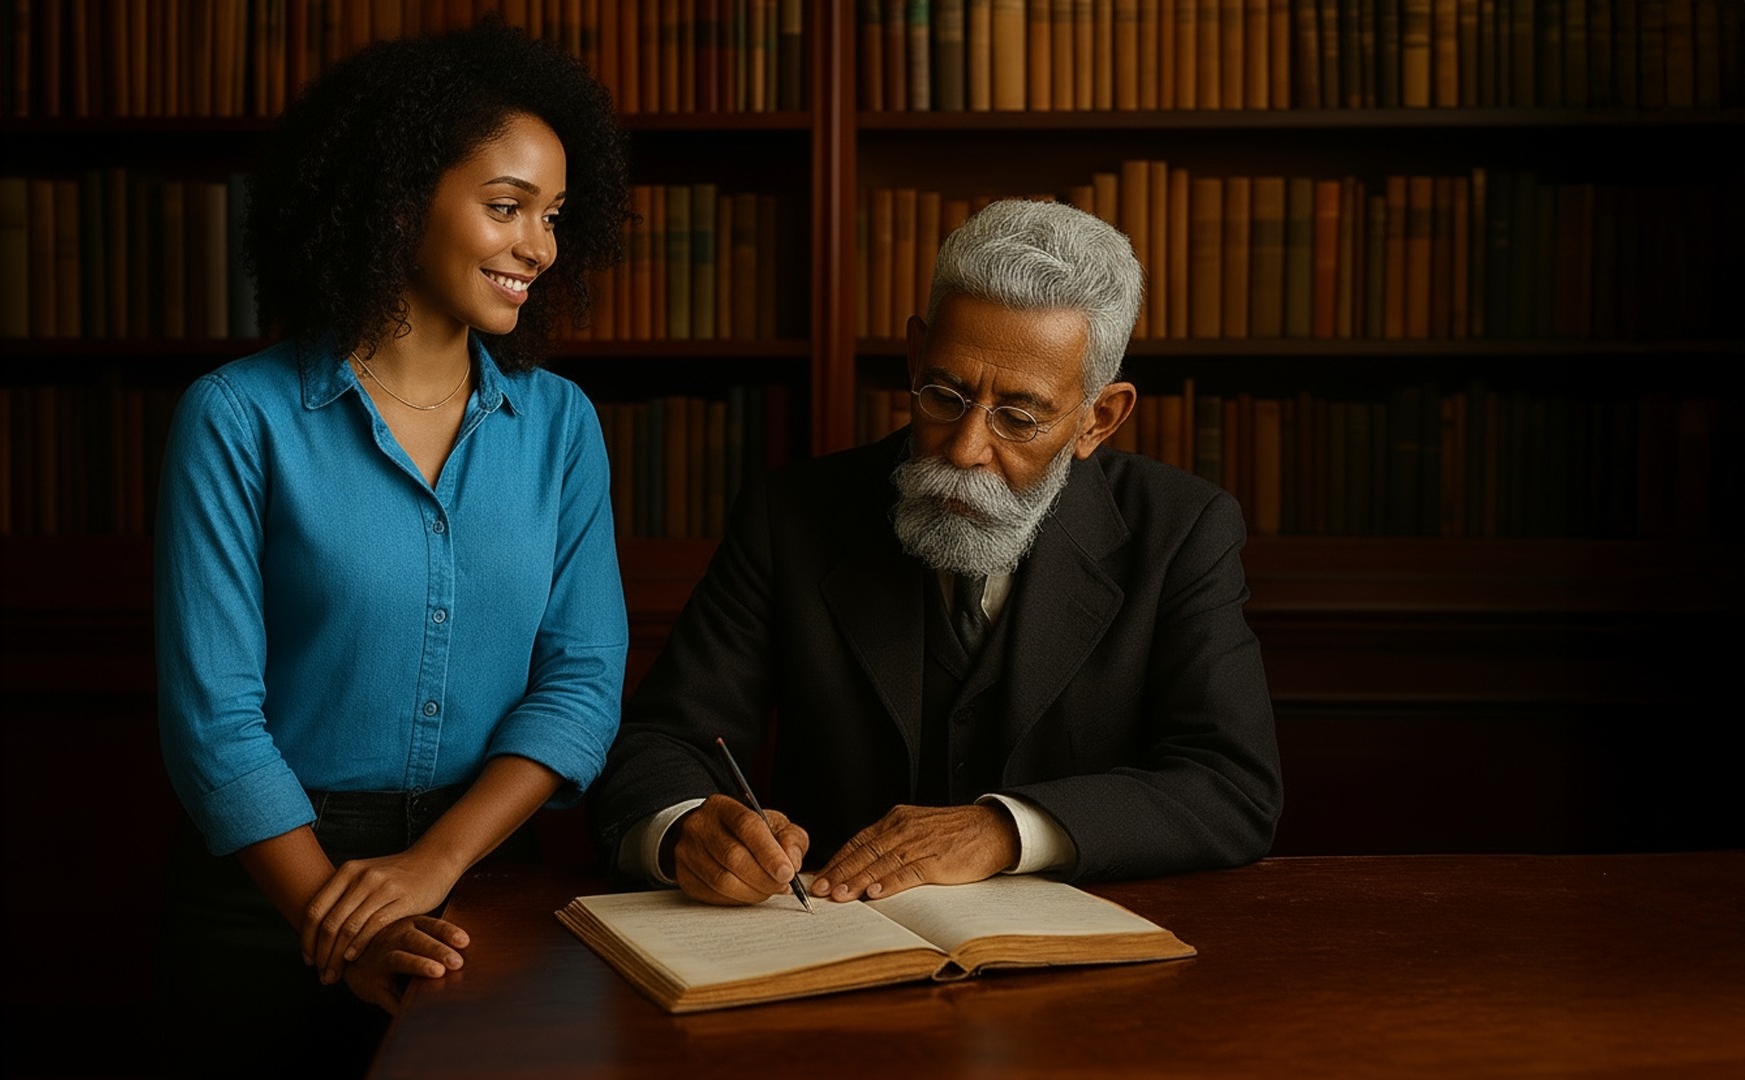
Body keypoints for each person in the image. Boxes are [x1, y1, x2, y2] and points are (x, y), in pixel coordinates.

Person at [152, 22, 631, 1078]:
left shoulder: (559, 426)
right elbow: (214, 722)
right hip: (266, 900)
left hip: (491, 886)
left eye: (552, 217)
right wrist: (342, 918)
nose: (539, 247)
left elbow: (584, 682)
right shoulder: (237, 418)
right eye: (506, 207)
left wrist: (436, 862)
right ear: (397, 195)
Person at [588, 198, 1282, 908]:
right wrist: (686, 833)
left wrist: (1004, 830)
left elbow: (1231, 787)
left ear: (1097, 419)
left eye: (1019, 416)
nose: (964, 450)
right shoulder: (790, 516)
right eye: (944, 394)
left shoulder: (1182, 529)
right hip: (829, 946)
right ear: (915, 355)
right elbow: (659, 746)